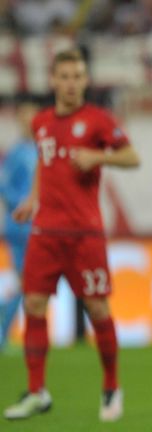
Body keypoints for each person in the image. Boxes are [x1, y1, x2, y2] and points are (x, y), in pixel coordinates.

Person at [3, 49, 140, 422]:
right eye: (63, 76)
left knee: (97, 309)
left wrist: (99, 158)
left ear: (84, 80)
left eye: (77, 76)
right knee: (33, 305)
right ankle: (36, 392)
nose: (70, 83)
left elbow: (132, 157)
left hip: (85, 234)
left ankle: (111, 385)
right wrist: (32, 198)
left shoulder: (97, 120)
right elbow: (44, 165)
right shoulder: (42, 122)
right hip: (45, 232)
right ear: (53, 80)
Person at [0, 96, 39, 351]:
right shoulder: (16, 153)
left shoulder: (42, 150)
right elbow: (4, 187)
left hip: (41, 227)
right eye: (24, 117)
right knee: (27, 283)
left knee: (32, 285)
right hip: (20, 228)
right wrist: (23, 204)